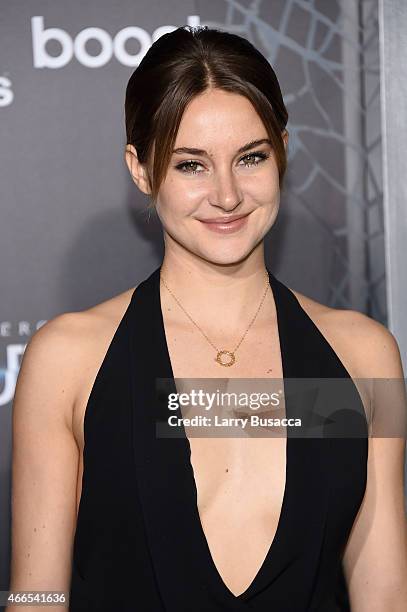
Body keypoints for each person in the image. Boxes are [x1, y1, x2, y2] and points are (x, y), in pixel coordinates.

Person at [7, 25, 407, 612]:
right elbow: (36, 597)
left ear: (283, 152)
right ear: (141, 170)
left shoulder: (363, 355)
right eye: (191, 165)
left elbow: (385, 590)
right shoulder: (68, 359)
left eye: (251, 158)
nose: (227, 195)